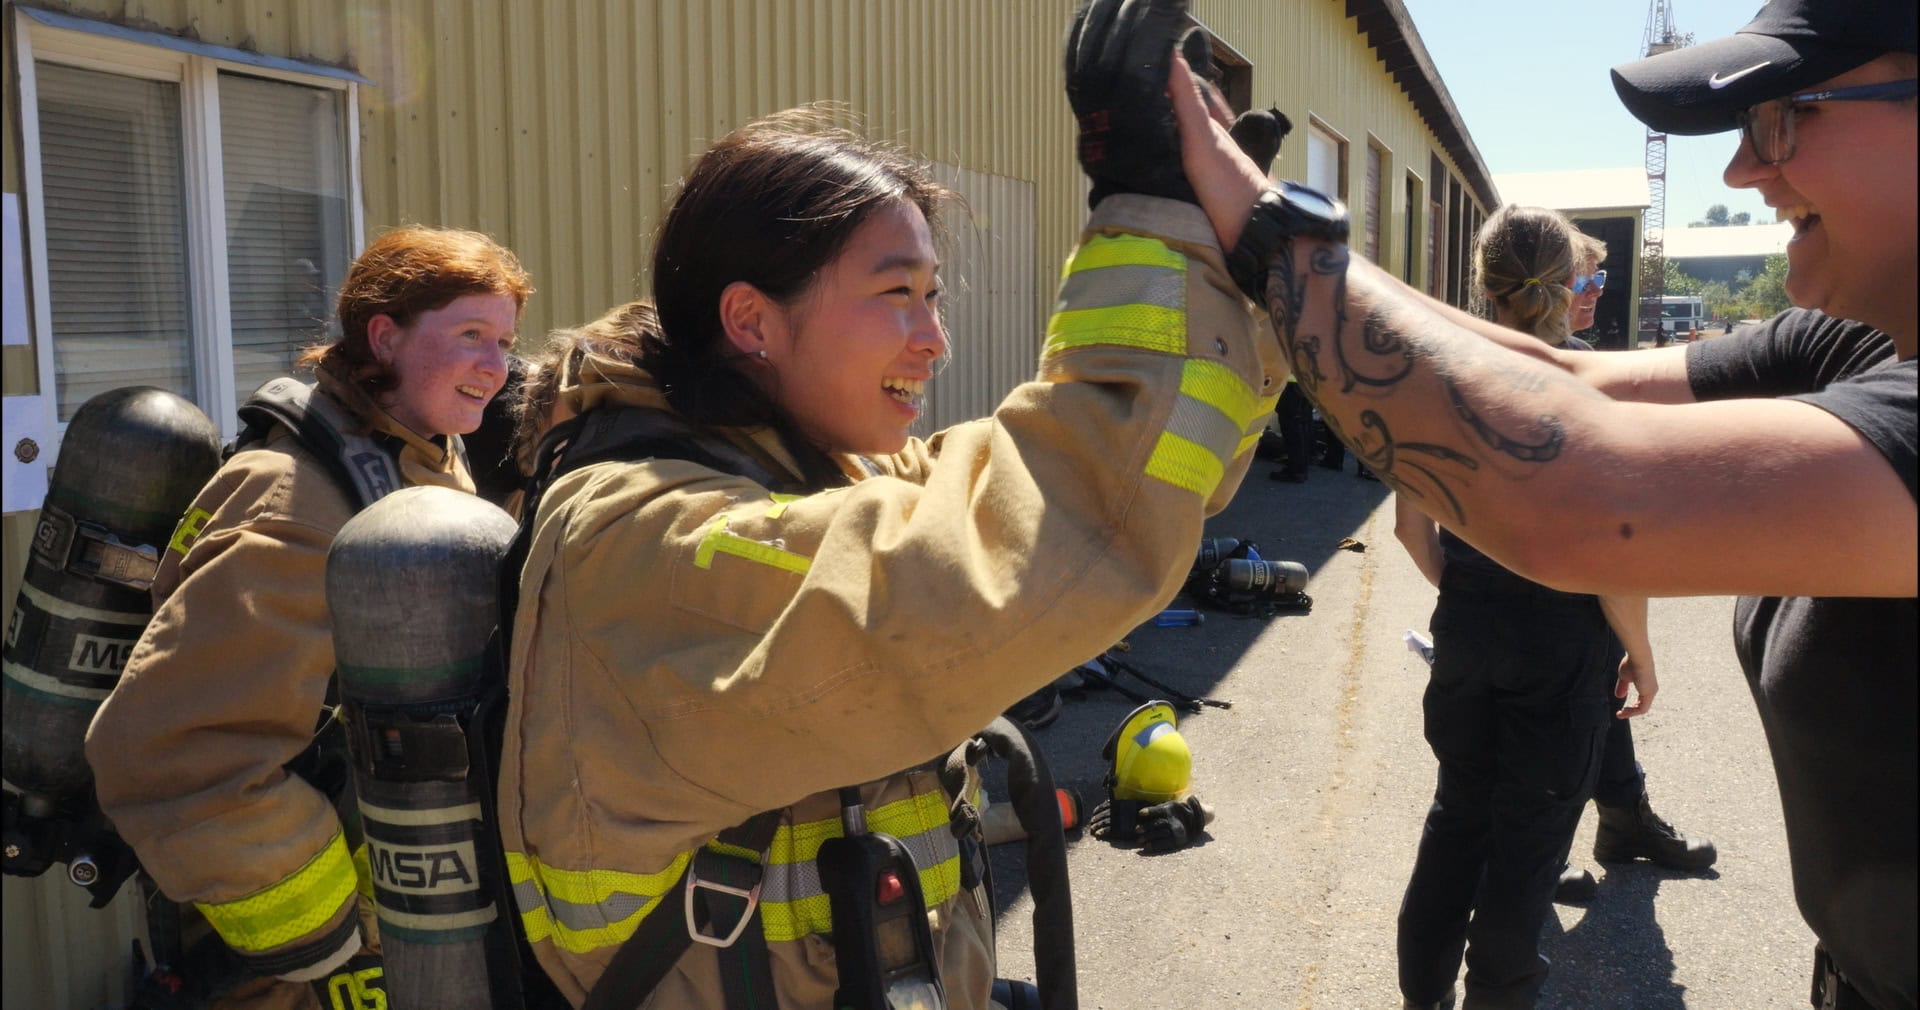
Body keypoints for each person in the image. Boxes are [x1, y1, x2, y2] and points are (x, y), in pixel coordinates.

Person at [1158, 0, 1913, 1005]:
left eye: (1780, 122)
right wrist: (1277, 234)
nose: (1742, 170)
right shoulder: (1856, 341)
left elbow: (1584, 495)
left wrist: (1270, 244)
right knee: (1511, 845)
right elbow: (1558, 383)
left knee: (1469, 827)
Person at [495, 66, 1282, 1009]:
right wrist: (1156, 229)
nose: (934, 339)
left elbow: (1140, 488)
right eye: (897, 293)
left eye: (934, 295)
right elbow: (1038, 542)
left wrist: (1240, 288)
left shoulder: (822, 475)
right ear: (751, 320)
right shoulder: (640, 542)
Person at [85, 226, 532, 1009]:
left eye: (504, 341)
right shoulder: (297, 501)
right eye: (469, 335)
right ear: (384, 337)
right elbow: (179, 752)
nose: (496, 368)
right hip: (298, 967)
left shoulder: (418, 457)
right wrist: (332, 935)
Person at [1390, 205, 1660, 1008]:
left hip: (1469, 634)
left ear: (1484, 283)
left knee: (1456, 824)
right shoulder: (1595, 388)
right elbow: (1618, 556)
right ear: (1573, 286)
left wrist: (1469, 592)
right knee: (1526, 857)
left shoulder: (1436, 376)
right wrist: (1639, 654)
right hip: (1562, 647)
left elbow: (1410, 528)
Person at [1553, 232, 1717, 905]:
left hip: (1547, 596)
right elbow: (1613, 533)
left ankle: (1623, 821)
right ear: (1548, 286)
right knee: (1544, 732)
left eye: (1599, 283)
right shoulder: (1573, 368)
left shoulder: (1557, 357)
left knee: (1597, 705)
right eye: (1586, 284)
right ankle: (1535, 859)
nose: (1597, 295)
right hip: (1554, 596)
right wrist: (1639, 648)